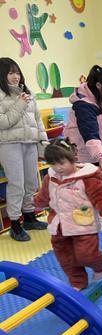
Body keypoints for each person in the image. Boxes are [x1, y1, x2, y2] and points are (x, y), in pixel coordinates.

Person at [34, 139, 102, 291]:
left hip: (83, 225)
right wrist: (36, 203)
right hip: (59, 226)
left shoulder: (88, 177)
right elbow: (44, 196)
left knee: (86, 255)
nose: (58, 168)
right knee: (66, 259)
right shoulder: (50, 178)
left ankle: (100, 264)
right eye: (53, 164)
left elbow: (101, 196)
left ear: (73, 159)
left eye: (62, 163)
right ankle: (78, 281)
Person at [0, 57, 48, 241]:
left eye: (17, 72)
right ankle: (14, 223)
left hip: (30, 142)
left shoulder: (28, 92)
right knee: (17, 184)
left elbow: (37, 121)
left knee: (32, 182)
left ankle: (29, 216)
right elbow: (3, 123)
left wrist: (43, 143)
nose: (15, 76)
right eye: (10, 73)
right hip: (9, 145)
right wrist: (19, 104)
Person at [64, 65, 102, 227]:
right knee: (87, 189)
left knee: (101, 187)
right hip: (82, 154)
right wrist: (100, 155)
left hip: (95, 152)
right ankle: (89, 221)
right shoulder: (83, 106)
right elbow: (90, 133)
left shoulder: (101, 101)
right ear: (98, 86)